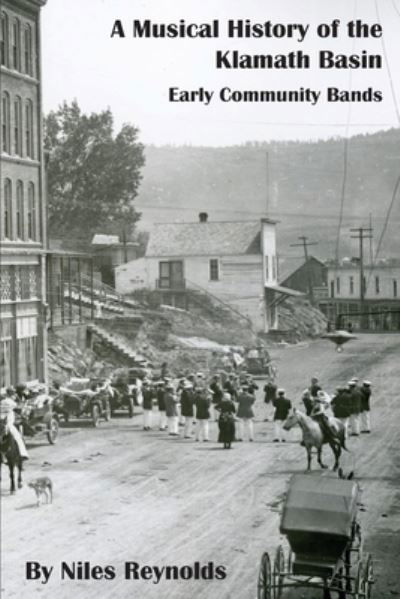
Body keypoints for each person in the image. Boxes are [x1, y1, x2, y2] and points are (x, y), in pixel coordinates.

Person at [0, 391, 29, 459]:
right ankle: (23, 454)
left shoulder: (2, 402)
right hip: (8, 425)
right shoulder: (11, 402)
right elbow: (20, 407)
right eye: (14, 395)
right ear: (11, 395)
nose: (15, 397)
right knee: (18, 437)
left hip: (2, 423)